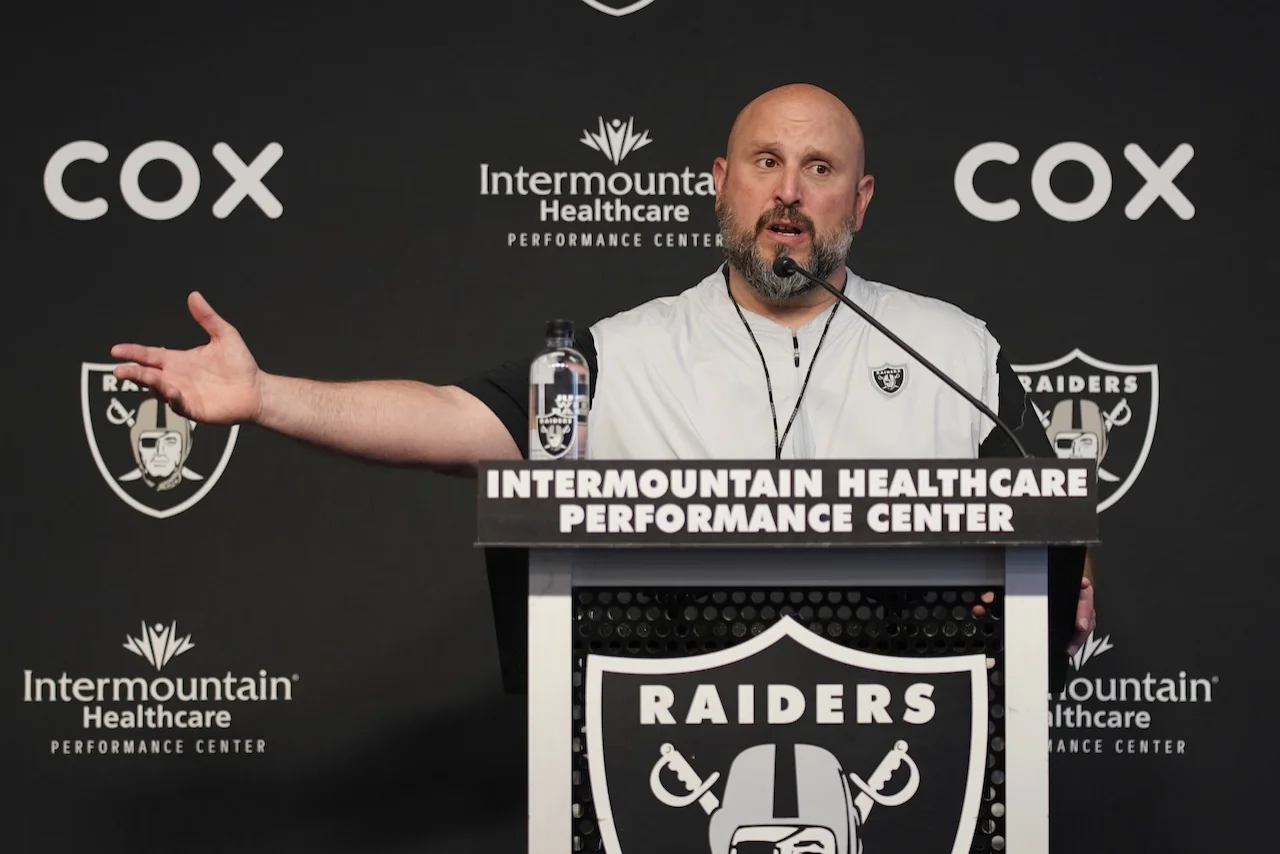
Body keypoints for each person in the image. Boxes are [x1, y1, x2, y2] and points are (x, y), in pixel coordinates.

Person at [110, 83, 1095, 692]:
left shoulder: (949, 347)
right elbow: (459, 420)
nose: (788, 190)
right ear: (721, 183)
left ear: (858, 200)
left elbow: (1051, 535)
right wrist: (267, 393)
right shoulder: (619, 353)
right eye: (765, 162)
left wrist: (1068, 573)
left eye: (818, 167)